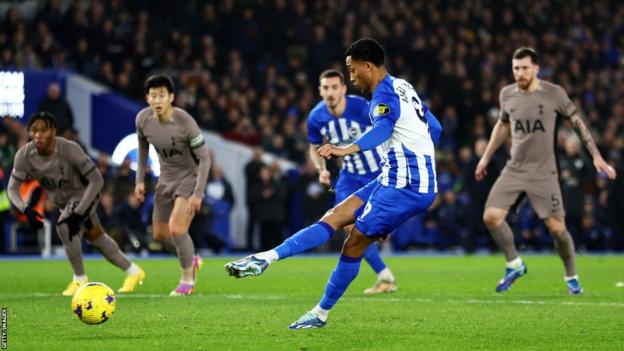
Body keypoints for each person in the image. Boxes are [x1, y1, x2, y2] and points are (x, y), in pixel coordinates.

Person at [225, 38, 441, 329]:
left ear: (368, 66)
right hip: (394, 177)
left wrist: (345, 149)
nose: (351, 78)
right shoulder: (403, 85)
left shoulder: (381, 96)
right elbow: (435, 127)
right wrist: (425, 158)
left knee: (353, 244)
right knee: (334, 217)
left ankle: (320, 313)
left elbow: (381, 130)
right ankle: (267, 257)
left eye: (353, 71)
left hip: (406, 184)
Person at [475, 47, 617, 295]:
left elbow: (577, 123)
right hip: (515, 169)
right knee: (491, 216)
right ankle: (515, 264)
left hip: (544, 172)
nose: (520, 73)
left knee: (557, 229)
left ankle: (571, 275)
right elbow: (502, 125)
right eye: (516, 68)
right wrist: (485, 157)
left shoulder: (554, 94)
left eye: (525, 68)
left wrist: (596, 156)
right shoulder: (507, 94)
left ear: (536, 68)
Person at [7, 112, 145, 295]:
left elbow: (97, 180)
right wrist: (25, 208)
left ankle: (79, 280)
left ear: (53, 131)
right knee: (97, 238)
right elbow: (12, 188)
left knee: (65, 226)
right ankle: (134, 272)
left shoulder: (69, 149)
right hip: (64, 203)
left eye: (44, 130)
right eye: (34, 131)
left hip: (85, 194)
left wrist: (79, 212)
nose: (38, 135)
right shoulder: (24, 156)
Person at [134, 74, 211, 296]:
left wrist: (198, 193)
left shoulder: (185, 122)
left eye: (162, 96)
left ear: (171, 97)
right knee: (159, 235)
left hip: (188, 178)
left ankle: (187, 281)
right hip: (164, 179)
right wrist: (139, 180)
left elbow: (205, 158)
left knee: (177, 229)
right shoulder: (142, 120)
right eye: (153, 96)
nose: (157, 100)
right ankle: (191, 258)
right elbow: (142, 150)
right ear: (147, 98)